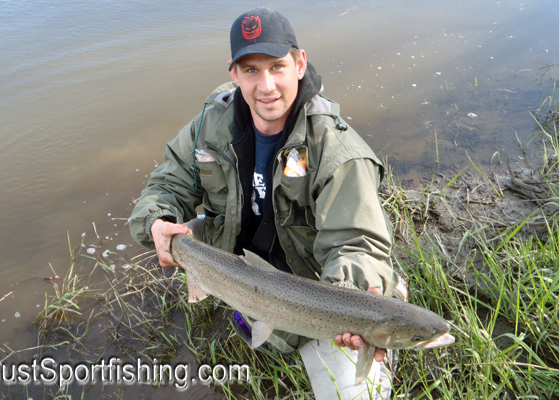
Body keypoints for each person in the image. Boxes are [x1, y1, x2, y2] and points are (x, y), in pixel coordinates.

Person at [129, 7, 406, 399]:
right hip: (249, 277)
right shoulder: (211, 123)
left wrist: (352, 300)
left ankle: (326, 326)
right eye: (252, 71)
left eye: (277, 66)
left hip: (317, 289)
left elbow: (358, 243)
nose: (267, 86)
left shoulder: (337, 150)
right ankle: (252, 312)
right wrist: (159, 220)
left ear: (300, 63)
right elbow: (167, 182)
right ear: (233, 73)